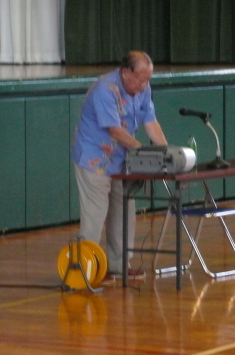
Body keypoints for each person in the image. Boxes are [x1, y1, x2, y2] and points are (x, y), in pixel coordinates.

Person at [71, 50, 168, 285]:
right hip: (94, 158)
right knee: (95, 215)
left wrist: (165, 151)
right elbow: (114, 129)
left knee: (124, 210)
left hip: (121, 160)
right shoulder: (106, 89)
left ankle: (118, 265)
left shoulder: (143, 89)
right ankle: (87, 268)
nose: (145, 84)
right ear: (125, 73)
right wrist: (144, 150)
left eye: (148, 79)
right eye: (140, 78)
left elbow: (150, 122)